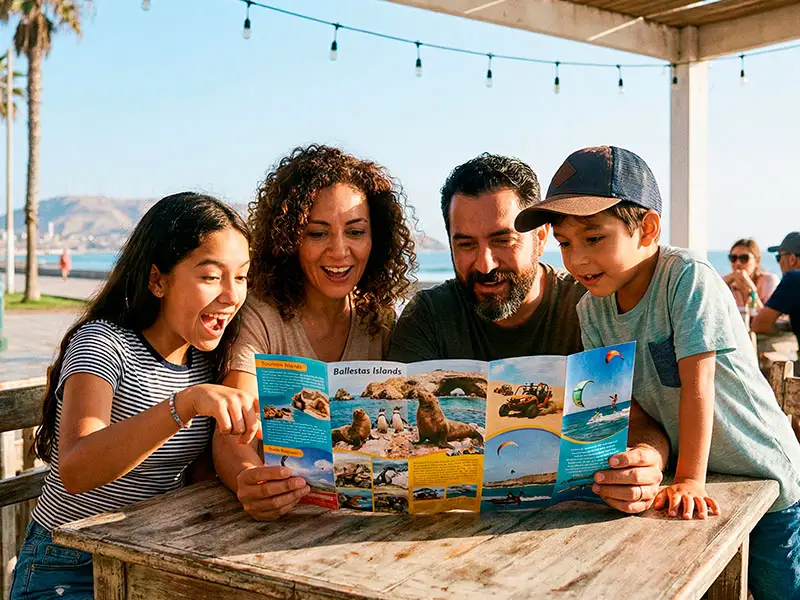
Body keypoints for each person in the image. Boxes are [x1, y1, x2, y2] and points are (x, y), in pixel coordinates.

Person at [515, 145, 800, 600]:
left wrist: (689, 477)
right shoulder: (591, 309)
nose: (577, 260)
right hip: (695, 481)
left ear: (646, 229)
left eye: (593, 238)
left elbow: (698, 383)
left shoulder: (686, 277)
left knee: (777, 588)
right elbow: (620, 402)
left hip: (760, 471)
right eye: (565, 243)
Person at [389, 153, 672, 516]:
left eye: (502, 240)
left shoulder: (591, 306)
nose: (485, 264)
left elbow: (643, 424)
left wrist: (646, 463)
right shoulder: (428, 316)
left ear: (540, 239)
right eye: (466, 244)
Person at [10, 193, 259, 600]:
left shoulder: (206, 360)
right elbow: (76, 468)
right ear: (157, 280)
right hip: (69, 564)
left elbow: (195, 471)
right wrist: (184, 405)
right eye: (212, 277)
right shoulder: (104, 346)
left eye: (242, 276)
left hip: (153, 556)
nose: (231, 295)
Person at [213, 144, 417, 521]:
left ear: (378, 238)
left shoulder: (381, 319)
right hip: (280, 520)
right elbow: (230, 428)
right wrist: (249, 479)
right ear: (289, 240)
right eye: (317, 233)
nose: (340, 252)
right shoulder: (260, 314)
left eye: (355, 232)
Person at [751, 231, 800, 350]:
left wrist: (781, 328)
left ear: (792, 258)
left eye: (779, 257)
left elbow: (760, 325)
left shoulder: (794, 279)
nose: (779, 263)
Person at [722, 238, 779, 311]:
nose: (738, 263)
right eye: (733, 258)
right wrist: (723, 283)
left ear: (757, 261)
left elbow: (768, 316)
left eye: (744, 258)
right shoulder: (725, 282)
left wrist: (751, 291)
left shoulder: (768, 280)